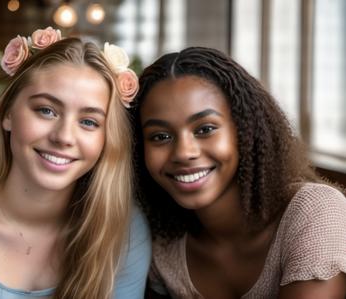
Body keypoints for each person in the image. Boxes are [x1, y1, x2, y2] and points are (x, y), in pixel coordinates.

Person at [0, 27, 150, 299]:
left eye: (89, 122)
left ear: (107, 138)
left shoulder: (124, 229)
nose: (64, 137)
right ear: (8, 113)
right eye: (46, 110)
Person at [131, 46, 346, 298]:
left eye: (205, 129)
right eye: (161, 136)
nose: (183, 152)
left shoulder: (315, 212)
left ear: (245, 129)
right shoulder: (161, 246)